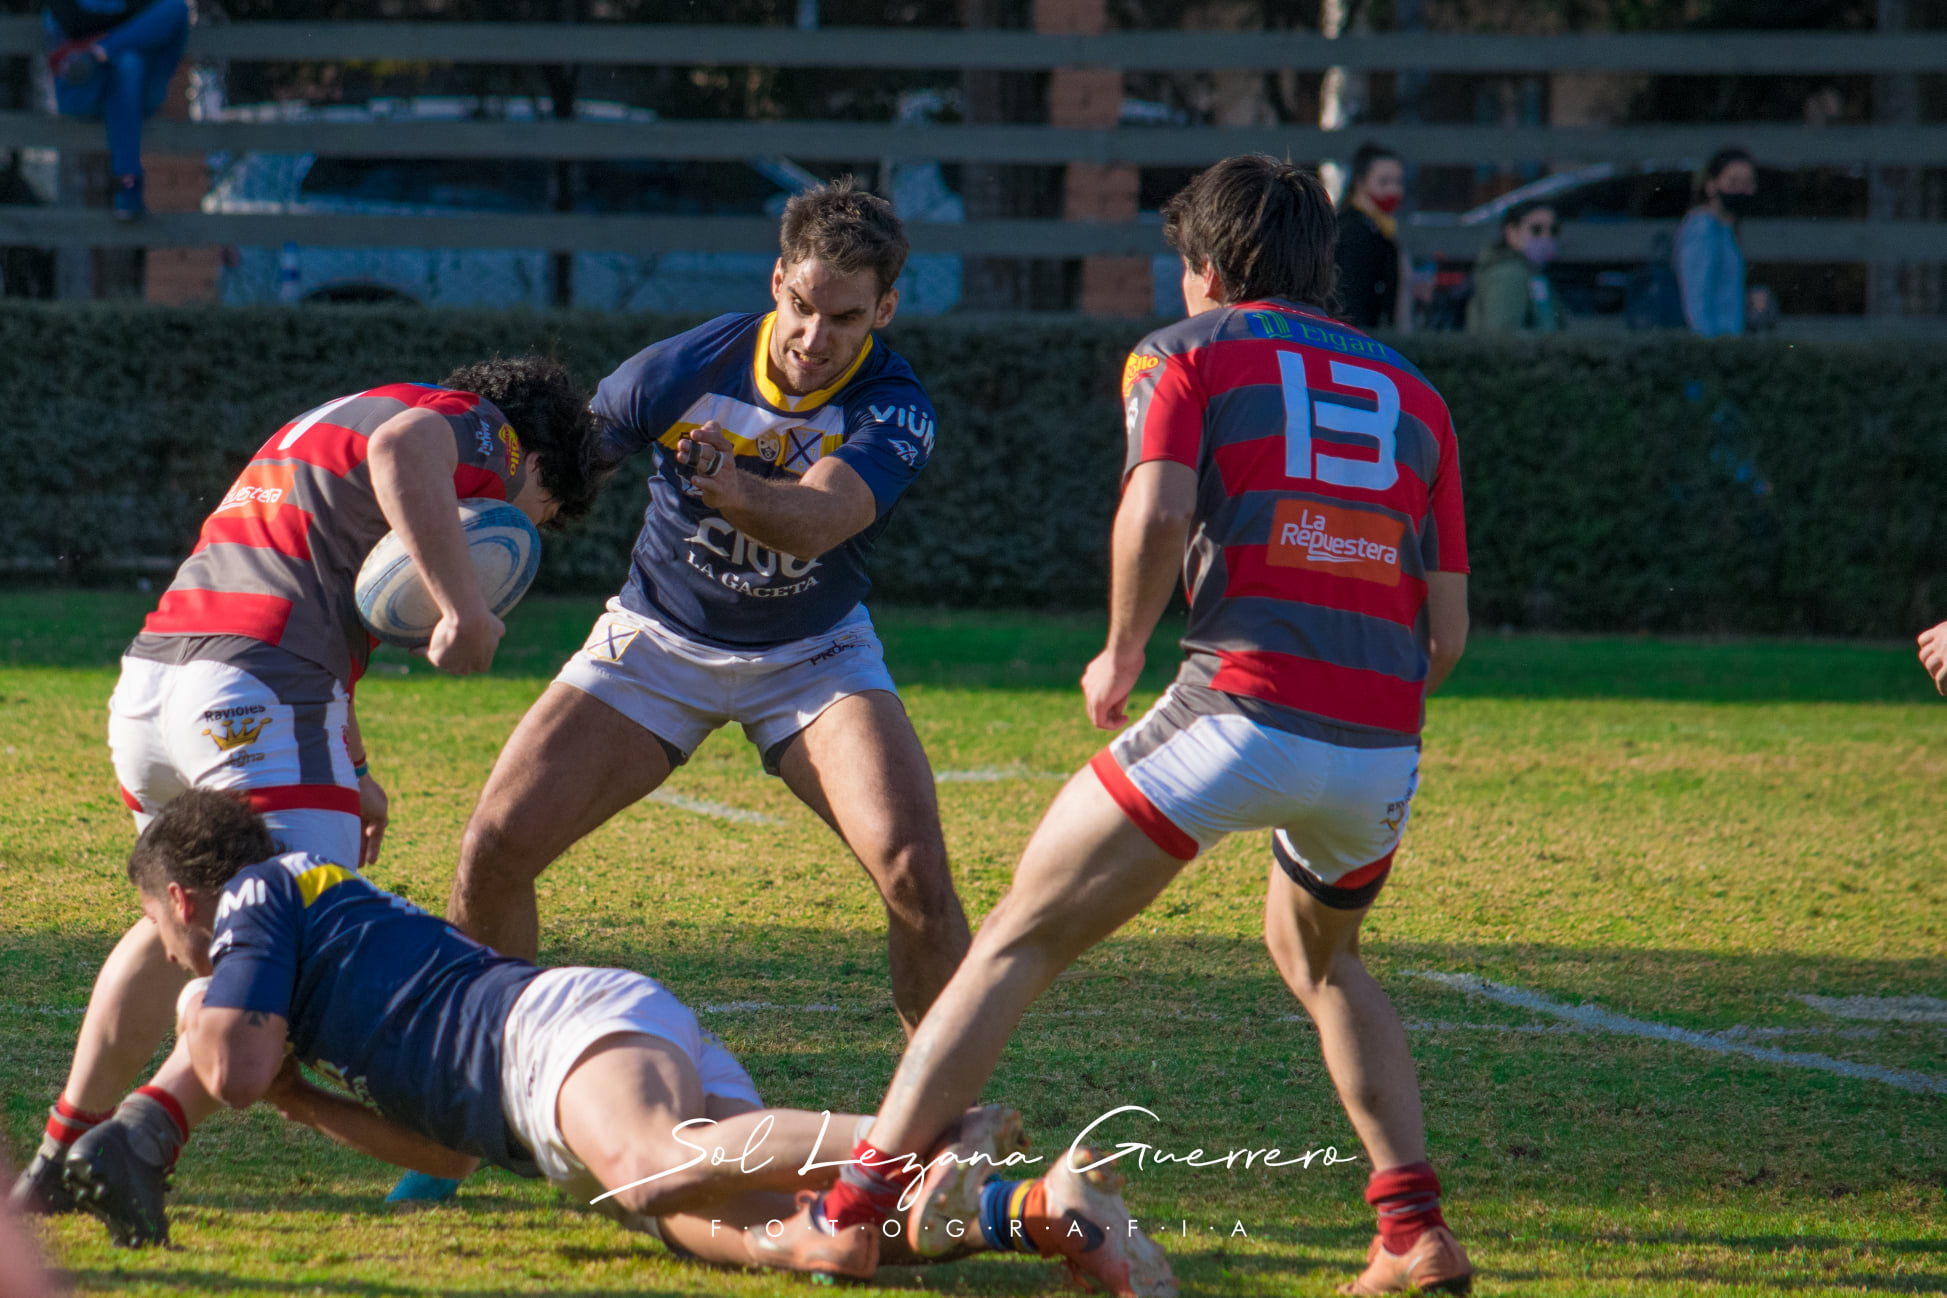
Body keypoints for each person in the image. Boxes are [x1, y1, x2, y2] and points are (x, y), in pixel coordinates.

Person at [761, 154, 1475, 1296]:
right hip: (1383, 740)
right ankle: (1413, 1231)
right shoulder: (1417, 393)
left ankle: (848, 1212)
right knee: (1324, 958)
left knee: (1010, 942)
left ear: (1205, 267)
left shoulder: (1179, 352)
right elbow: (1446, 634)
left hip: (1238, 708)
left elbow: (1159, 502)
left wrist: (1125, 645)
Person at [62, 789, 1165, 1298]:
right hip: (541, 1100)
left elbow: (230, 1068)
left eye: (163, 930)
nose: (176, 953)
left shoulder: (259, 888)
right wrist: (306, 1099)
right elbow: (441, 1155)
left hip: (547, 1035)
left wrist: (202, 1034)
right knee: (756, 1228)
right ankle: (1041, 1212)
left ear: (180, 894)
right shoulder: (304, 968)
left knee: (649, 1165)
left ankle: (929, 1136)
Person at [8, 357, 604, 1223]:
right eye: (534, 515)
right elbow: (409, 452)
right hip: (258, 690)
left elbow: (309, 576)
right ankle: (143, 1133)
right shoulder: (483, 430)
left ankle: (62, 1152)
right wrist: (462, 605)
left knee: (183, 922)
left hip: (153, 692)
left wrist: (351, 768)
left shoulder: (337, 414)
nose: (507, 527)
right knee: (302, 943)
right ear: (537, 462)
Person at [444, 181, 970, 1033]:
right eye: (802, 305)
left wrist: (729, 489)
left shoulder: (894, 404)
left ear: (885, 310)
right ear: (776, 282)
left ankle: (936, 1136)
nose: (814, 335)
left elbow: (822, 521)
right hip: (655, 642)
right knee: (495, 847)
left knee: (915, 875)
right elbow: (562, 473)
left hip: (814, 655)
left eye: (844, 317)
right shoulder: (679, 369)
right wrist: (473, 533)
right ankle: (477, 1087)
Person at [42, 0, 191, 220]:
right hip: (83, 91)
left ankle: (104, 50)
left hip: (132, 86)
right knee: (127, 61)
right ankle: (129, 183)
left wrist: (106, 42)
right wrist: (127, 25)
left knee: (130, 61)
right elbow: (74, 23)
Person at [1676, 147, 1770, 337]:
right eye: (1733, 182)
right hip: (1713, 349)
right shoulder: (1703, 228)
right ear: (1711, 185)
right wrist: (1709, 351)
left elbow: (1722, 290)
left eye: (1748, 182)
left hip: (1727, 342)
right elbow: (1696, 297)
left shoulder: (1725, 229)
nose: (1742, 190)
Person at [1334, 142, 1412, 332]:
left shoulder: (1381, 230)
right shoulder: (1356, 233)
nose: (1393, 190)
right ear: (1360, 184)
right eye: (1384, 182)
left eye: (1398, 182)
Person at [1465, 200, 1563, 334]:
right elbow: (1502, 338)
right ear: (1511, 232)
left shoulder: (1532, 273)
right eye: (1536, 230)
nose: (1546, 237)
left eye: (1553, 230)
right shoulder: (1509, 275)